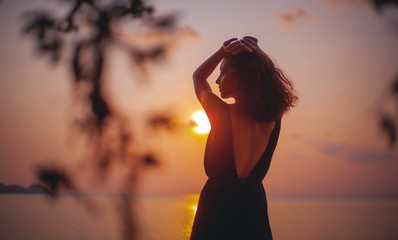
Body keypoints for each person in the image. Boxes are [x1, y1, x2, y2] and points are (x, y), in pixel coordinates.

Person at [190, 36, 298, 240]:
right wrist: (258, 54)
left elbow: (199, 77)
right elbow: (270, 78)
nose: (217, 79)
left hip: (216, 209)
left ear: (242, 77)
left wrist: (222, 51)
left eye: (223, 72)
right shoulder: (273, 116)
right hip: (253, 209)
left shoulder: (219, 112)